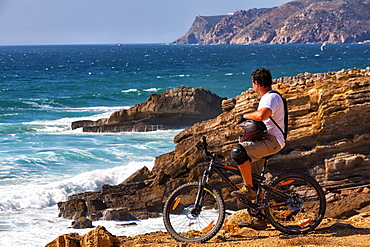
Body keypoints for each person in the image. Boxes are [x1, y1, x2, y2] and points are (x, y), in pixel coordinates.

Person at [230, 68, 286, 228]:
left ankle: (247, 188)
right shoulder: (270, 97)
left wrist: (245, 116)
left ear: (256, 83)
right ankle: (259, 219)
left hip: (272, 141)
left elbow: (262, 116)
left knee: (238, 151)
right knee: (255, 180)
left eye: (253, 84)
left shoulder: (270, 97)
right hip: (267, 140)